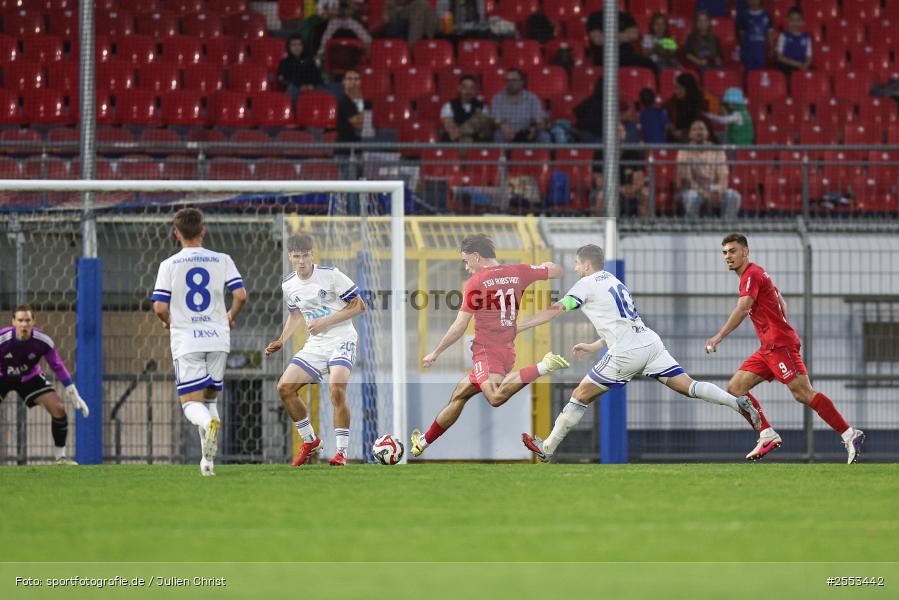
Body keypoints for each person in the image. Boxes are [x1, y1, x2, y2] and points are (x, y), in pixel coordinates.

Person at [519, 244, 764, 462]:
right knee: (689, 386)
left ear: (586, 264)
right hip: (649, 343)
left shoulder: (585, 284)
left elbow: (561, 307)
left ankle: (547, 447)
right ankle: (737, 403)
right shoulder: (615, 281)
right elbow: (621, 321)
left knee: (580, 395)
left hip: (626, 351)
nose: (575, 269)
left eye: (576, 264)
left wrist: (522, 326)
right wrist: (594, 346)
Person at [705, 233, 865, 463]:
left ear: (745, 252)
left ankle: (850, 434)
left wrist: (718, 336)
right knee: (736, 387)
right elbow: (781, 300)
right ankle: (766, 433)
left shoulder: (751, 274)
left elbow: (743, 308)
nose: (728, 257)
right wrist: (780, 323)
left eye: (732, 251)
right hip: (769, 347)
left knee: (803, 393)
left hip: (779, 345)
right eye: (724, 253)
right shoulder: (758, 274)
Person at [410, 234, 569, 457]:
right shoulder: (518, 271)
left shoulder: (475, 283)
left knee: (494, 397)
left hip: (486, 350)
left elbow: (459, 325)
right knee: (459, 395)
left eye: (465, 261)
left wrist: (435, 352)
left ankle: (544, 366)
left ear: (476, 256)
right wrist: (544, 267)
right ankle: (422, 443)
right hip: (506, 350)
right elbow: (557, 271)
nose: (466, 267)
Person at [152, 208, 248, 477]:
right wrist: (230, 316)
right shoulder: (222, 259)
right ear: (202, 231)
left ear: (176, 233)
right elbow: (241, 294)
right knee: (208, 395)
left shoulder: (169, 265)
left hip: (187, 339)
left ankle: (208, 423)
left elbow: (159, 307)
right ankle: (208, 463)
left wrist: (171, 321)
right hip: (218, 338)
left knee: (190, 403)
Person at [265, 233, 366, 467]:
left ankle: (341, 453)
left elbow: (360, 305)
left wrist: (326, 321)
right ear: (290, 256)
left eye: (305, 256)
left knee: (336, 389)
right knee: (285, 388)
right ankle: (310, 441)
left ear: (312, 254)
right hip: (317, 344)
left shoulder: (331, 275)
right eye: (297, 256)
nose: (302, 261)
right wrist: (281, 339)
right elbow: (295, 314)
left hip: (342, 338)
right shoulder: (289, 284)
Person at [0, 306, 89, 465]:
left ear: (33, 322)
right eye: (20, 320)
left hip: (29, 377)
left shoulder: (43, 341)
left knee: (59, 408)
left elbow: (57, 365)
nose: (24, 324)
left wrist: (72, 392)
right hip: (2, 377)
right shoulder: (3, 339)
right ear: (13, 322)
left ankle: (60, 459)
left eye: (27, 320)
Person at [676, 119, 741, 218]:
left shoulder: (717, 150)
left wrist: (719, 191)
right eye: (695, 130)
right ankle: (692, 229)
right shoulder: (684, 152)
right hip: (694, 190)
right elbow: (688, 181)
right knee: (691, 197)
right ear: (690, 134)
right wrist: (706, 195)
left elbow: (723, 175)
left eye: (702, 129)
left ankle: (728, 228)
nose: (699, 132)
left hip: (715, 190)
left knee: (733, 196)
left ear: (707, 133)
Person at [591, 122, 648, 217]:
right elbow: (599, 182)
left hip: (629, 191)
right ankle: (601, 228)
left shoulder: (633, 152)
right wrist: (620, 189)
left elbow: (639, 179)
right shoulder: (600, 152)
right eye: (617, 131)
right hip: (607, 191)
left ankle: (644, 228)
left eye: (622, 130)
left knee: (645, 193)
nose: (620, 133)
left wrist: (634, 188)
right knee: (601, 196)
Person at [491, 68, 550, 143]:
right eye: (508, 80)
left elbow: (539, 120)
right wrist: (503, 127)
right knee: (497, 135)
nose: (511, 83)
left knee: (544, 136)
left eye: (514, 80)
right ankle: (500, 155)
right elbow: (496, 120)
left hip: (527, 133)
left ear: (522, 82)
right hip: (507, 133)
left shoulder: (532, 98)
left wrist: (534, 128)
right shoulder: (497, 98)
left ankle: (542, 155)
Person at [336, 69, 369, 180]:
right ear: (344, 82)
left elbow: (361, 123)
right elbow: (358, 125)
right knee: (347, 185)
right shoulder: (344, 102)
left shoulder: (359, 101)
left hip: (357, 149)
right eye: (349, 79)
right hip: (344, 150)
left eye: (356, 79)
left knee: (360, 181)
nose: (353, 82)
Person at [440, 74, 492, 142]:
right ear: (459, 88)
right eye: (465, 87)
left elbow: (485, 128)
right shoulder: (449, 106)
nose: (468, 91)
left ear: (475, 90)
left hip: (476, 142)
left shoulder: (482, 106)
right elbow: (452, 131)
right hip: (456, 142)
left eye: (472, 88)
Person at [277, 34, 323, 105]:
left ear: (303, 46)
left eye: (299, 45)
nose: (296, 47)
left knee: (324, 88)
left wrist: (311, 85)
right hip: (294, 87)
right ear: (289, 47)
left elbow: (316, 76)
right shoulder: (284, 62)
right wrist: (300, 85)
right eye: (293, 45)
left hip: (311, 87)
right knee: (291, 89)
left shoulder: (310, 61)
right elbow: (283, 78)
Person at [663, 72, 707, 142]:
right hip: (674, 140)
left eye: (680, 88)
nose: (676, 91)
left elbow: (700, 126)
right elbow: (662, 112)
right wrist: (669, 125)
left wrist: (684, 133)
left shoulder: (700, 103)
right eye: (676, 88)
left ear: (688, 89)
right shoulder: (672, 102)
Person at [736, 0, 774, 71]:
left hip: (761, 52)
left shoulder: (767, 15)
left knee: (759, 74)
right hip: (748, 52)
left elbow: (770, 35)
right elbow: (742, 36)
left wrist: (771, 47)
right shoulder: (744, 16)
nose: (753, 1)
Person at [774, 6, 812, 76]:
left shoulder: (806, 37)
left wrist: (805, 65)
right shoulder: (783, 36)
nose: (795, 23)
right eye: (792, 20)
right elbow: (780, 57)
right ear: (788, 21)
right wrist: (797, 64)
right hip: (787, 66)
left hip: (801, 65)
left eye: (798, 20)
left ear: (802, 22)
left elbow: (809, 57)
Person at [573, 76, 604, 143]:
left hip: (600, 135)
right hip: (591, 134)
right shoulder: (589, 102)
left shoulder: (588, 101)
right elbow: (577, 111)